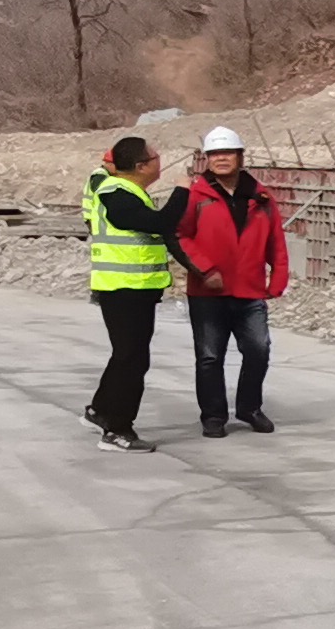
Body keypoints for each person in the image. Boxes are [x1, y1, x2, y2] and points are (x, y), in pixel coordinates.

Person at [175, 128, 288, 437]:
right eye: (214, 154)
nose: (221, 158)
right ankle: (213, 416)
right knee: (210, 356)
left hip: (250, 290)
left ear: (240, 156)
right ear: (206, 159)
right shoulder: (195, 196)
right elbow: (181, 236)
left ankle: (249, 408)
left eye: (227, 153)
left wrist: (278, 278)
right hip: (207, 292)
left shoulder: (261, 197)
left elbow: (276, 241)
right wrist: (205, 270)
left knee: (258, 350)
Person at [84, 136, 174, 451]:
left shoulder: (130, 191)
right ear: (141, 166)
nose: (160, 161)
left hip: (134, 288)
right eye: (155, 157)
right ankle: (117, 431)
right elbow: (159, 223)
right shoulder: (116, 193)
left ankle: (100, 411)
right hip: (123, 287)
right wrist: (184, 192)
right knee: (132, 359)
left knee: (127, 355)